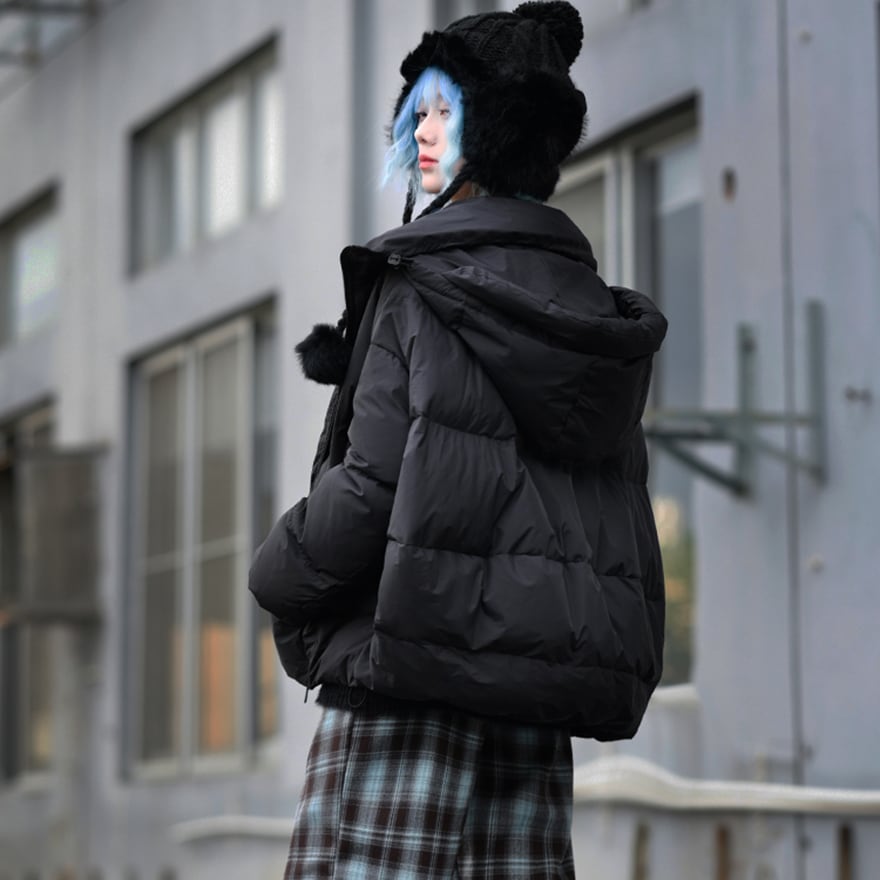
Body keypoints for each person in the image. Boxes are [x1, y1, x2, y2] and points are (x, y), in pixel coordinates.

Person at [249, 3, 668, 878]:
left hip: (405, 686)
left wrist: (278, 570)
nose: (421, 132)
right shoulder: (592, 317)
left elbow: (373, 483)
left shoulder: (422, 287)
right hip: (531, 712)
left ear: (495, 133)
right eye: (417, 111)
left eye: (444, 109)